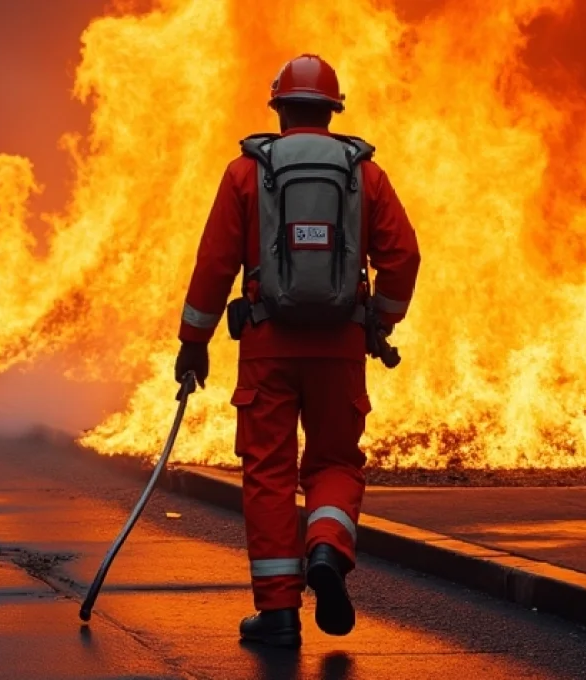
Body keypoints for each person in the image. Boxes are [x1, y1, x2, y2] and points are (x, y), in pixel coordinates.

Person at [173, 54, 421, 647]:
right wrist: (379, 321)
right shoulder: (364, 173)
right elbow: (403, 256)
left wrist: (193, 343)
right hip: (340, 348)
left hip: (268, 348)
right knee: (335, 462)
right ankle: (327, 550)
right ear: (332, 111)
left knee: (269, 472)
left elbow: (215, 264)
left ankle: (279, 613)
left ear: (280, 108)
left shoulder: (246, 171)